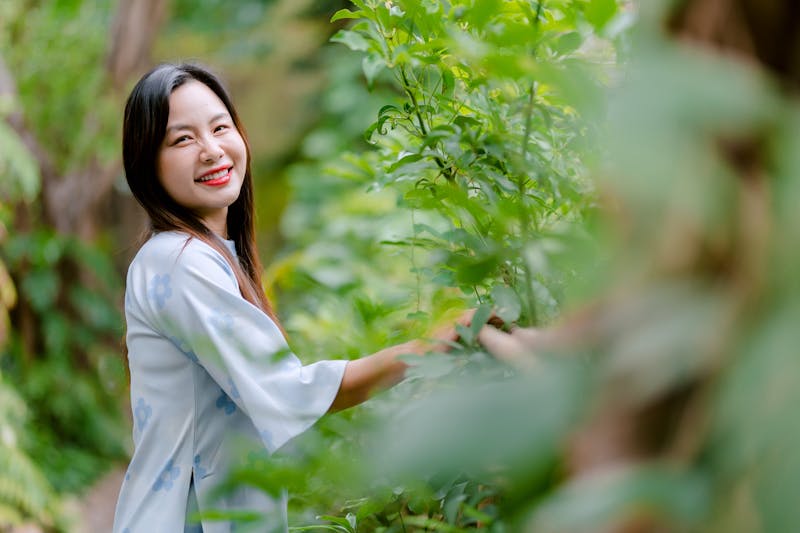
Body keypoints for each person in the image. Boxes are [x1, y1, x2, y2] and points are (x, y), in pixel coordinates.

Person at [112, 63, 469, 533]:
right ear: (147, 164)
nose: (212, 150)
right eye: (182, 140)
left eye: (220, 127)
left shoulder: (200, 256)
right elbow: (289, 391)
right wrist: (433, 346)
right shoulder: (180, 263)